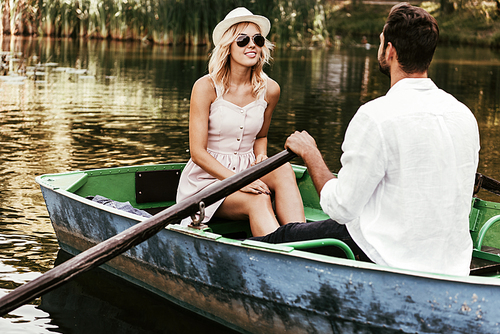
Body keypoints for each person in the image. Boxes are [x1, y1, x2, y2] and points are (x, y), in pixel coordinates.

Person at [253, 3, 480, 276]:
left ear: (390, 51)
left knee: (283, 236)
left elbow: (341, 209)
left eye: (381, 41)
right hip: (452, 263)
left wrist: (310, 153)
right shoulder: (463, 114)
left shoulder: (376, 116)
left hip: (385, 256)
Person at [176, 7, 305, 236]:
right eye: (243, 40)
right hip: (207, 180)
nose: (252, 45)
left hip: (247, 169)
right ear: (228, 46)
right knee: (258, 199)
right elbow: (197, 152)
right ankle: (281, 257)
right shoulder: (206, 88)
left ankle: (302, 238)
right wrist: (239, 182)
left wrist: (261, 157)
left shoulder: (270, 90)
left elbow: (261, 136)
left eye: (257, 39)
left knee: (284, 169)